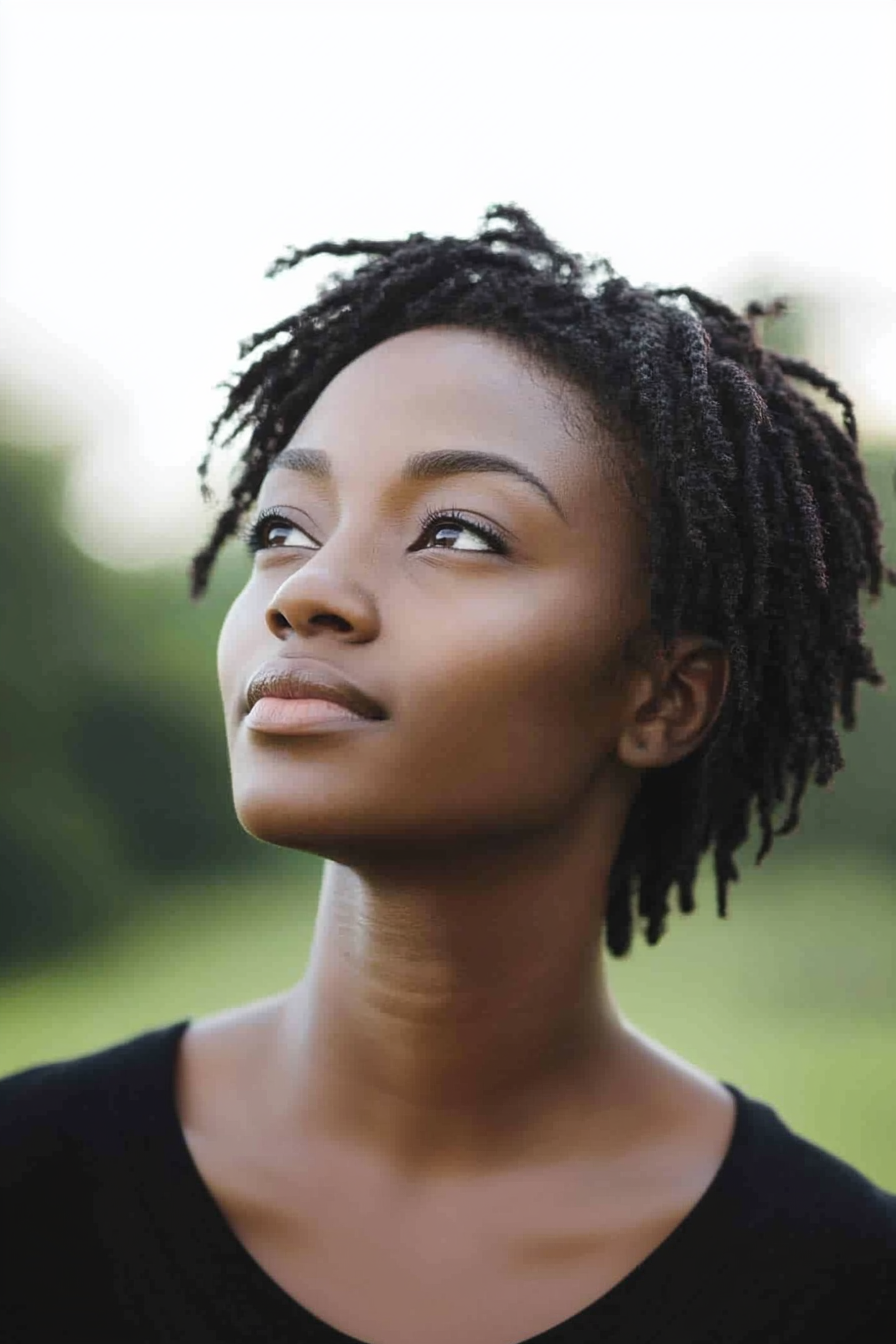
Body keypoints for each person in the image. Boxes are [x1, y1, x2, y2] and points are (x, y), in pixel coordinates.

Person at [2, 204, 895, 1343]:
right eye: (283, 523)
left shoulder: (842, 1288)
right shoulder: (26, 1190)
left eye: (456, 532)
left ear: (662, 698)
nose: (304, 589)